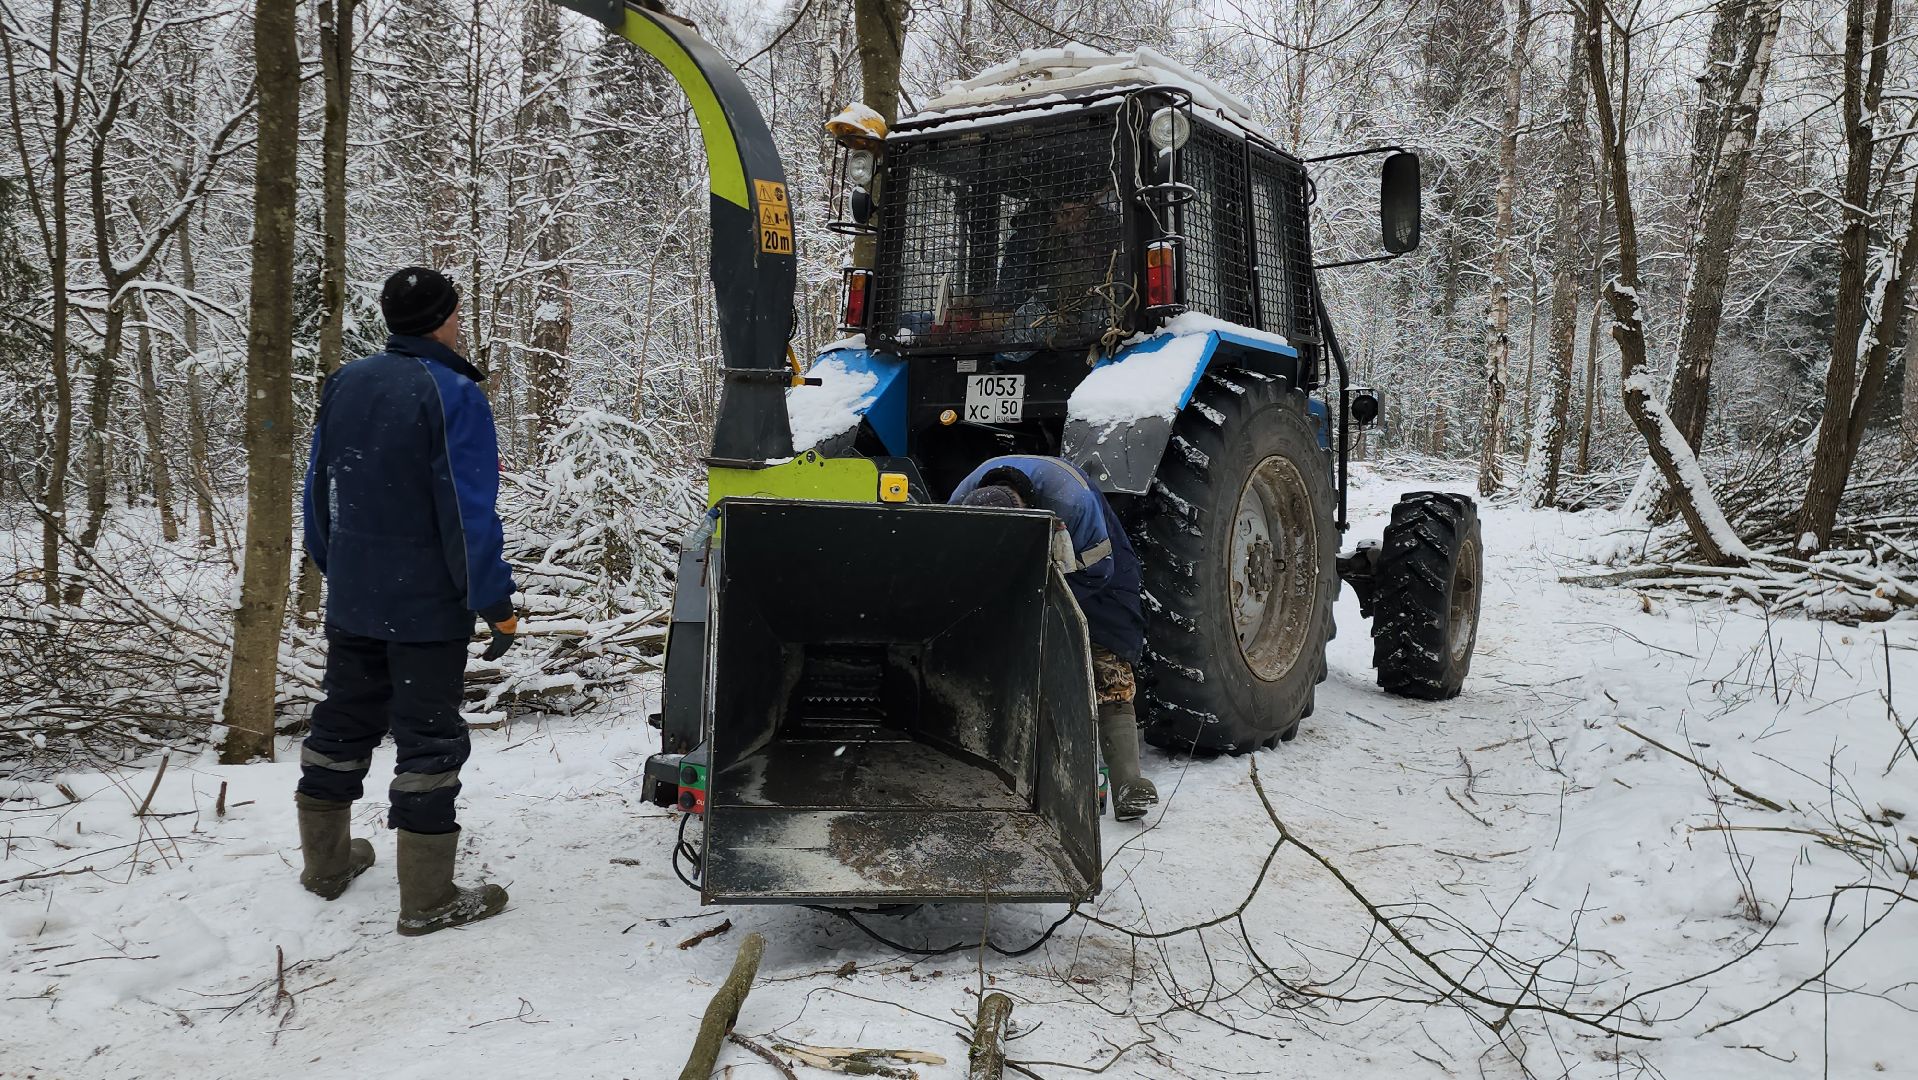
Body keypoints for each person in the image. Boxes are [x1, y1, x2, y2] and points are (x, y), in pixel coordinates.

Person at [296, 266, 516, 936]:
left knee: (341, 723)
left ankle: (327, 867)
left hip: (355, 597)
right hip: (424, 609)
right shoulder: (451, 392)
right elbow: (465, 509)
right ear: (444, 318)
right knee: (429, 739)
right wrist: (494, 600)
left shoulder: (349, 382)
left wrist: (340, 568)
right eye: (455, 312)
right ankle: (427, 900)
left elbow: (320, 488)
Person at [950, 456, 1159, 822]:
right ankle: (1056, 780)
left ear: (1026, 510)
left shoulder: (1071, 502)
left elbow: (1099, 570)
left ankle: (1128, 782)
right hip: (1017, 571)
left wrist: (1040, 596)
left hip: (1092, 569)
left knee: (1106, 662)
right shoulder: (961, 503)